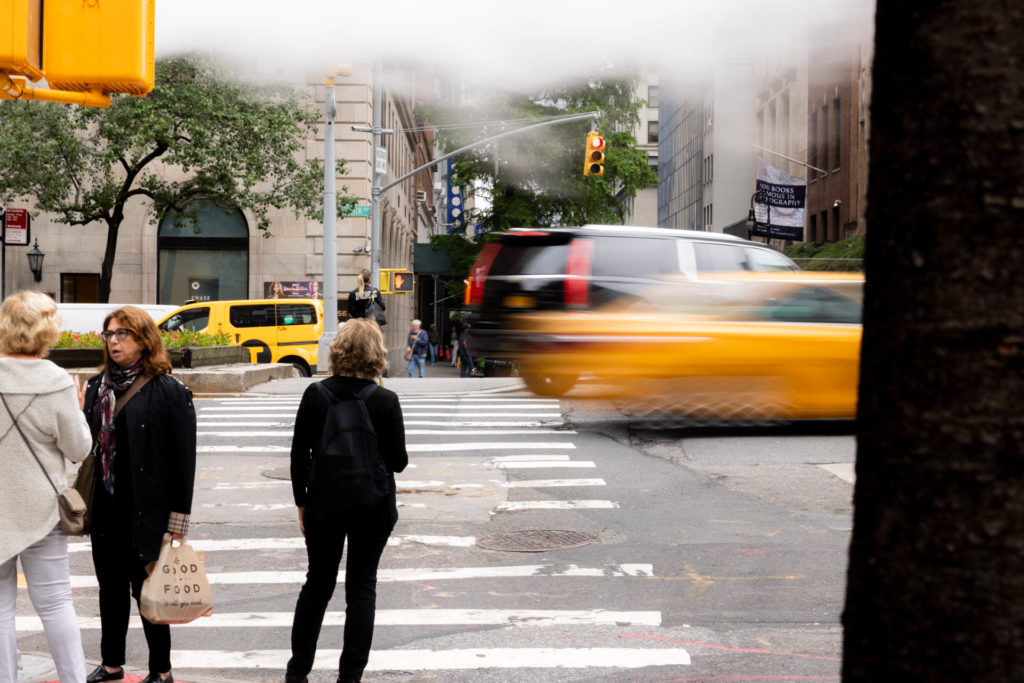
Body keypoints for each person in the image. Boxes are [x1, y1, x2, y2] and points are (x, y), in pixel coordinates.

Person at [285, 318, 408, 683]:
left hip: (324, 503)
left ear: (337, 351)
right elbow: (399, 462)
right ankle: (350, 677)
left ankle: (297, 672)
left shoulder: (315, 394)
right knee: (362, 587)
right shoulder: (385, 400)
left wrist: (301, 502)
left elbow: (297, 456)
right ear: (376, 354)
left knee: (317, 584)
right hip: (373, 504)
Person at [82, 307, 197, 683]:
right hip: (107, 508)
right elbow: (88, 448)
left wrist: (178, 522)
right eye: (109, 334)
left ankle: (160, 670)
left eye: (123, 333)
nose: (114, 340)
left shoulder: (170, 391)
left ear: (144, 339)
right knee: (109, 592)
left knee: (150, 596)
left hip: (149, 512)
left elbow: (184, 461)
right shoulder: (97, 388)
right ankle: (112, 664)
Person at [0, 291, 92, 683]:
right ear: (47, 330)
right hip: (41, 509)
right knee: (56, 604)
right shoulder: (56, 380)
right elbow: (78, 449)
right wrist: (78, 406)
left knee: (0, 610)